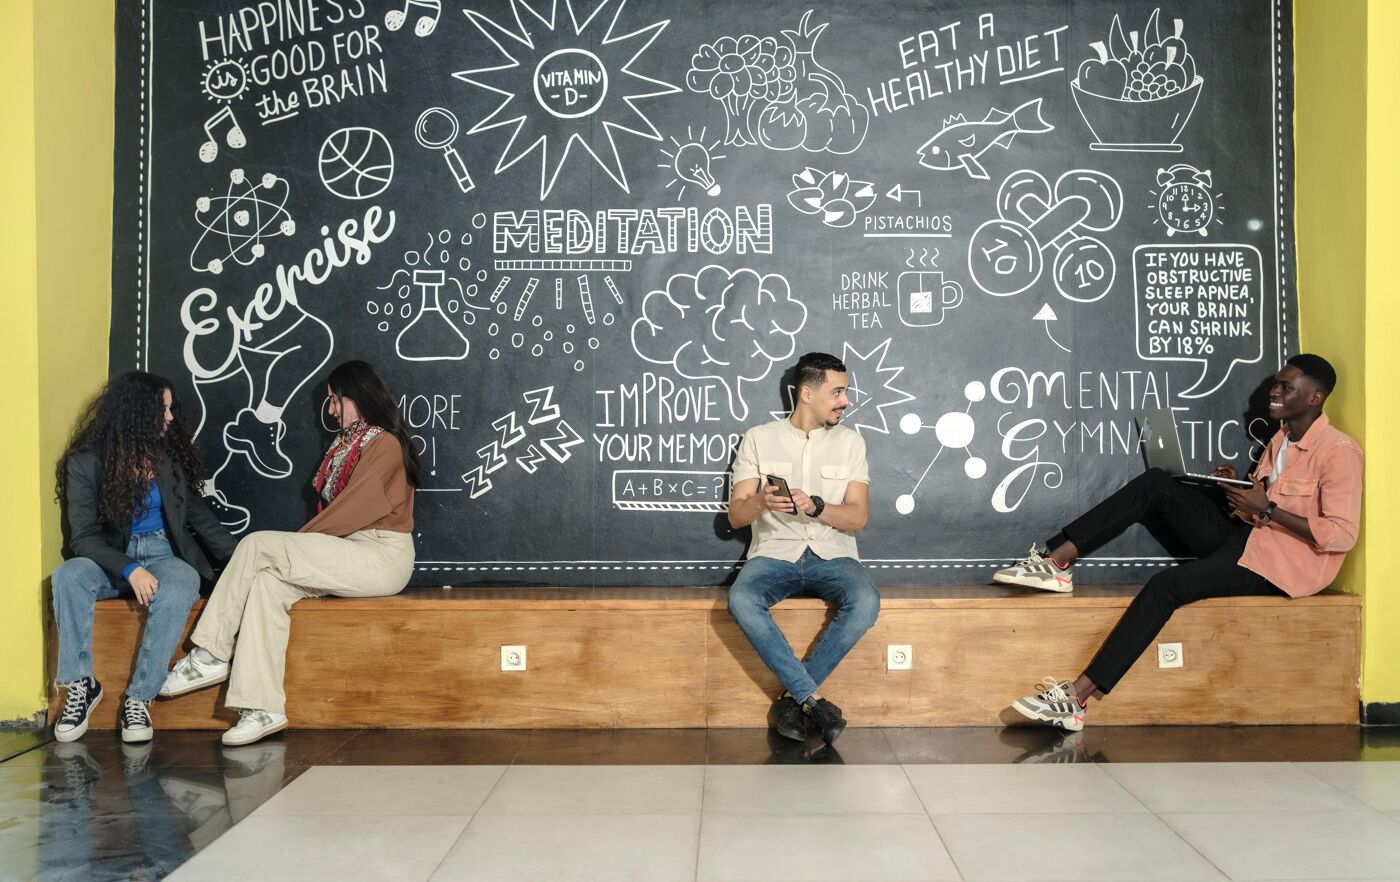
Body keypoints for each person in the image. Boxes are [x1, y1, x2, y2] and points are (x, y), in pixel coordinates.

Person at [1001, 354, 1362, 730]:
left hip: (1281, 566)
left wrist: (1267, 508)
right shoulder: (1283, 438)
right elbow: (1264, 502)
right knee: (1156, 483)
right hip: (1248, 535)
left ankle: (1076, 700)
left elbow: (1341, 534)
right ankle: (1056, 563)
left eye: (1286, 387)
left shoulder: (1339, 452)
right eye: (1276, 383)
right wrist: (1237, 488)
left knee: (1165, 587)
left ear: (1314, 398)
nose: (1274, 391)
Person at [159, 360, 419, 745]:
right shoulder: (347, 445)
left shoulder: (385, 444)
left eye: (334, 400)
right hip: (348, 550)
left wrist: (298, 545)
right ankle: (262, 708)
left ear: (357, 397)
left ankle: (211, 653)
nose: (330, 410)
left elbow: (351, 511)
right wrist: (300, 549)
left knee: (258, 545)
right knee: (265, 583)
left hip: (381, 555)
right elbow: (336, 520)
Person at [52, 372, 237, 743]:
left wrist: (243, 562)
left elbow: (197, 516)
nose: (170, 418)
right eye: (162, 410)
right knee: (68, 575)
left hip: (164, 553)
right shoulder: (85, 462)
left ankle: (139, 697)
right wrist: (130, 568)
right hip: (110, 559)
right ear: (136, 412)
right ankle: (81, 685)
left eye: (170, 409)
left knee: (182, 583)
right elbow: (84, 538)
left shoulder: (167, 459)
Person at [726, 352, 880, 744]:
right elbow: (735, 517)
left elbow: (858, 518)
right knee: (741, 599)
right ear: (807, 393)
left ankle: (793, 702)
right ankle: (812, 699)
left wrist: (817, 505)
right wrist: (761, 501)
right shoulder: (758, 438)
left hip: (835, 556)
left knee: (865, 601)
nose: (845, 400)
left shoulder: (851, 442)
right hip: (773, 554)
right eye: (838, 392)